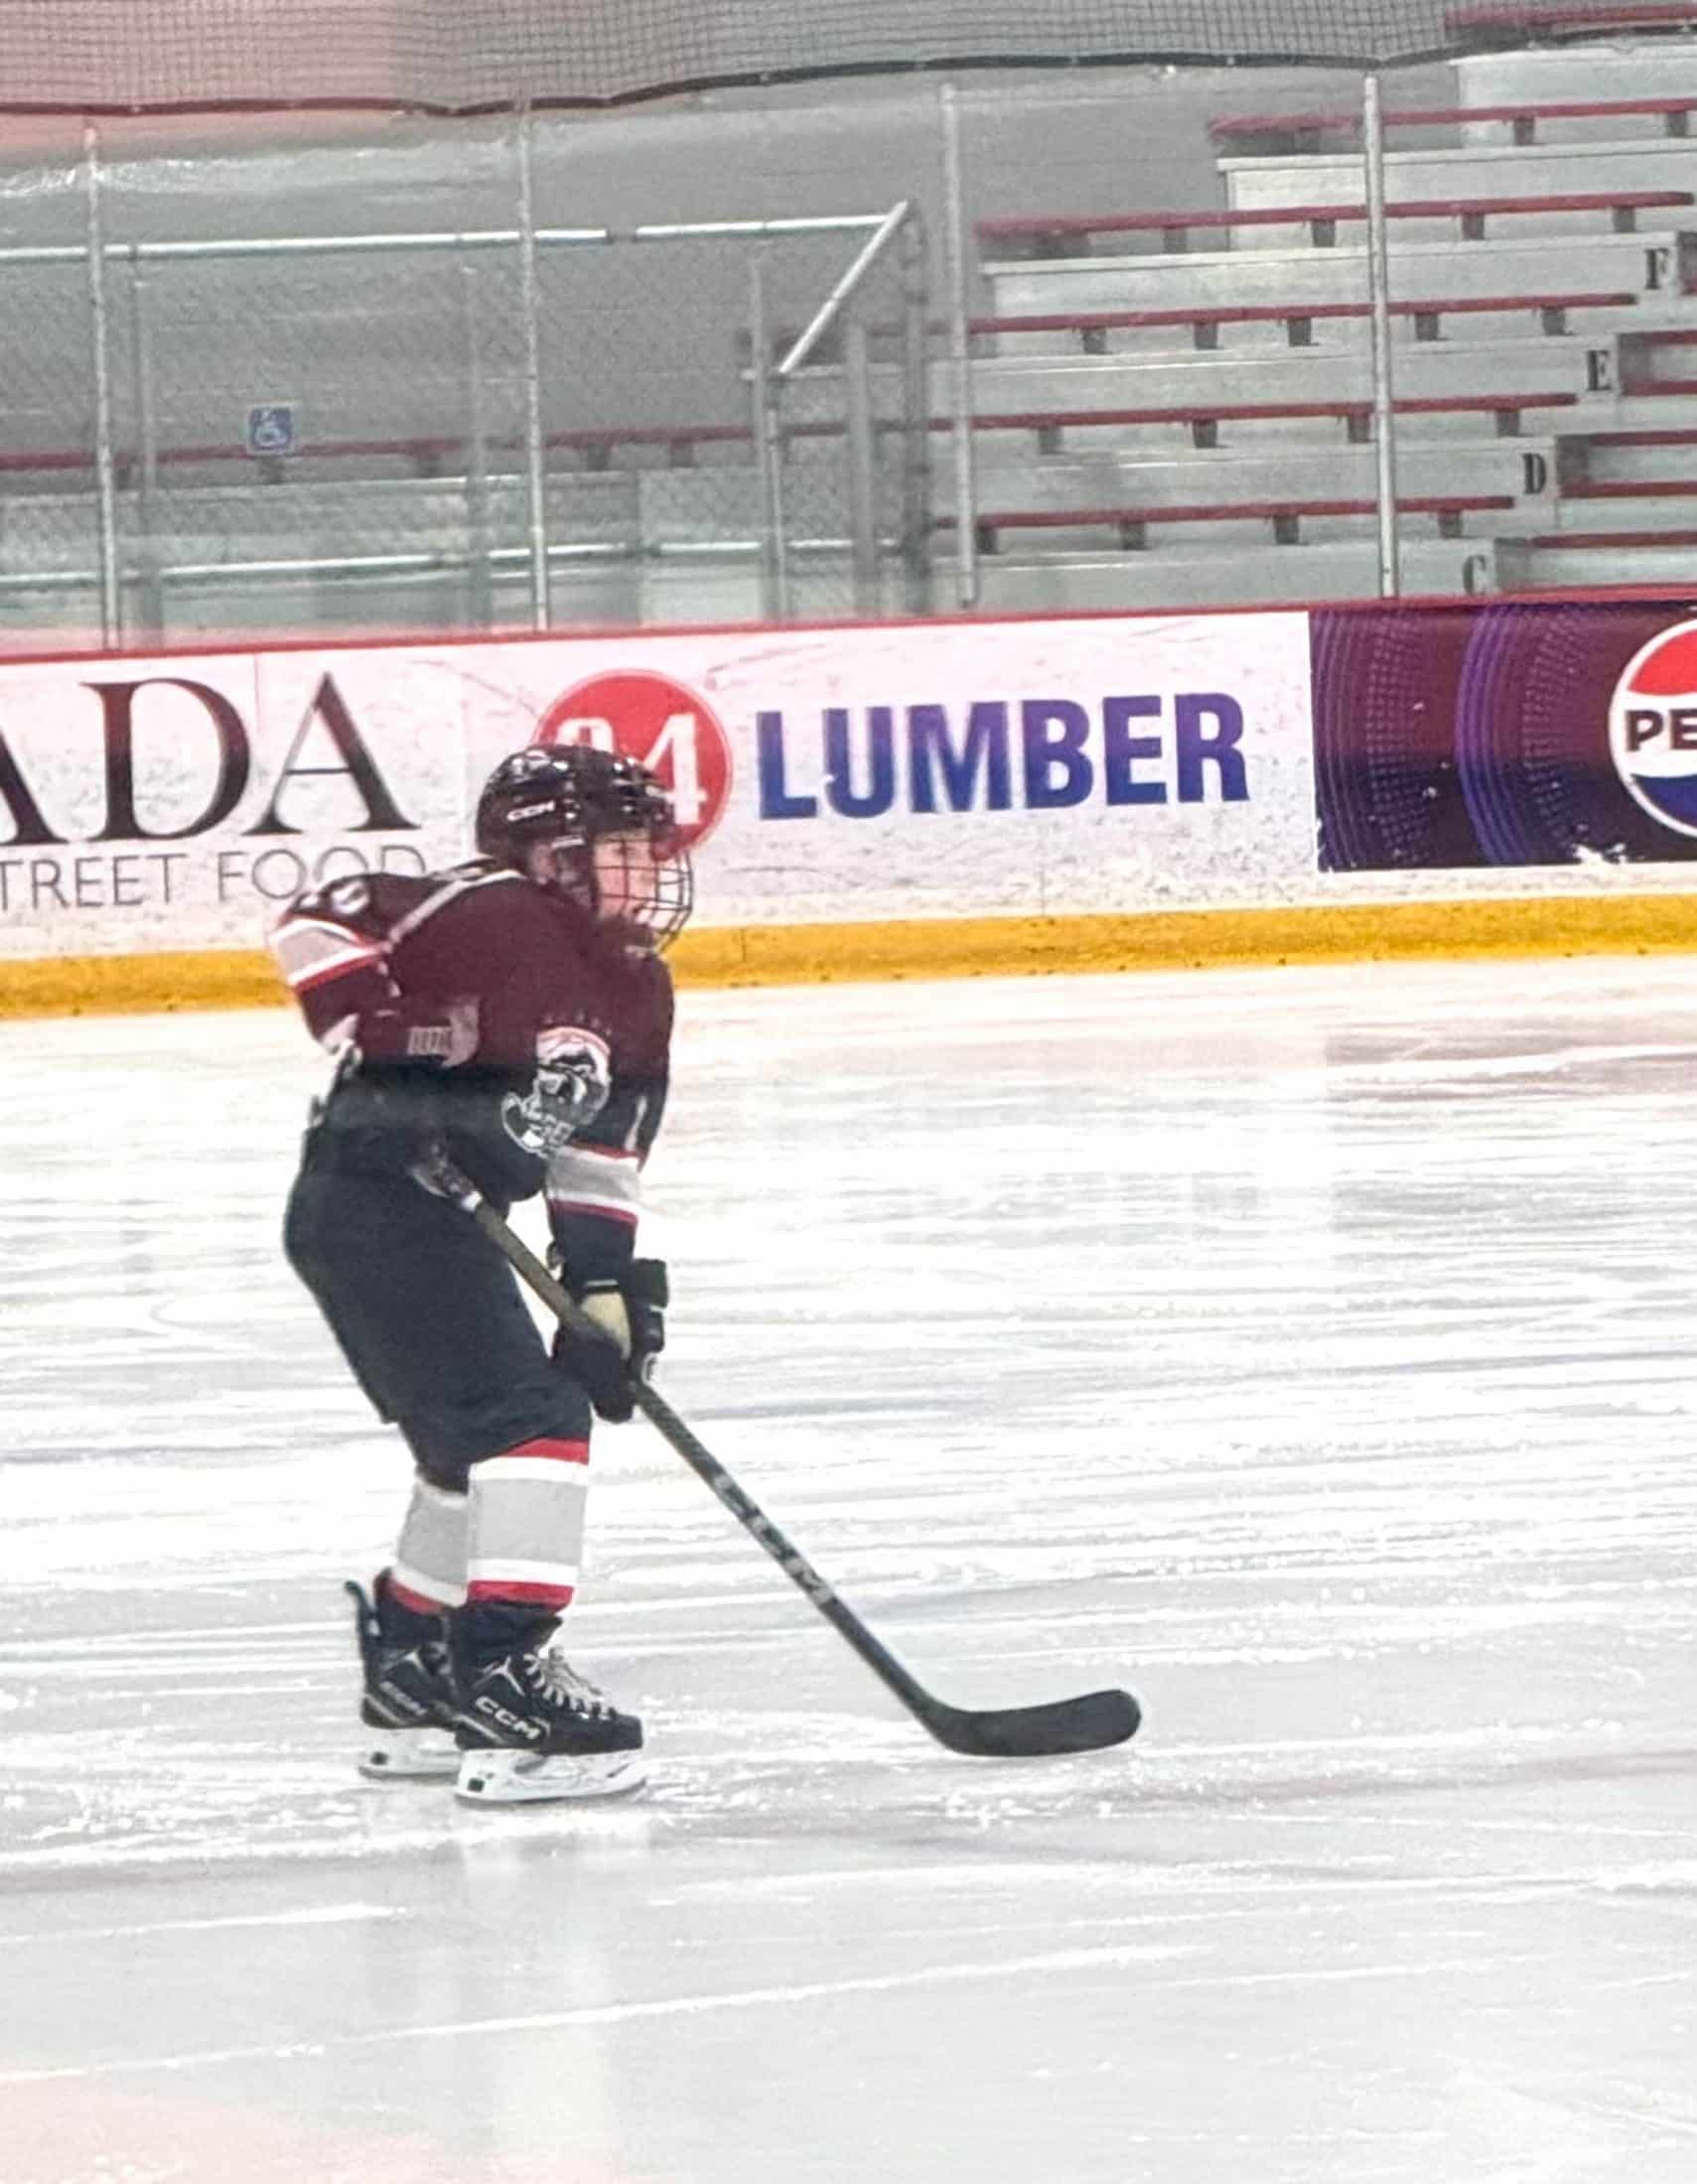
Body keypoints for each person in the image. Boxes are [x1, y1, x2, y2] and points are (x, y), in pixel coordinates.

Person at [269, 743, 690, 1805]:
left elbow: (598, 1153)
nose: (648, 872)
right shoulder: (489, 911)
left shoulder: (637, 986)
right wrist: (386, 1026)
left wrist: (603, 1286)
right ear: (552, 856)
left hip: (440, 1224)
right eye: (624, 849)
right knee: (527, 1419)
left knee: (470, 1445)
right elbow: (316, 918)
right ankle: (505, 1682)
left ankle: (415, 1675)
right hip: (370, 1202)